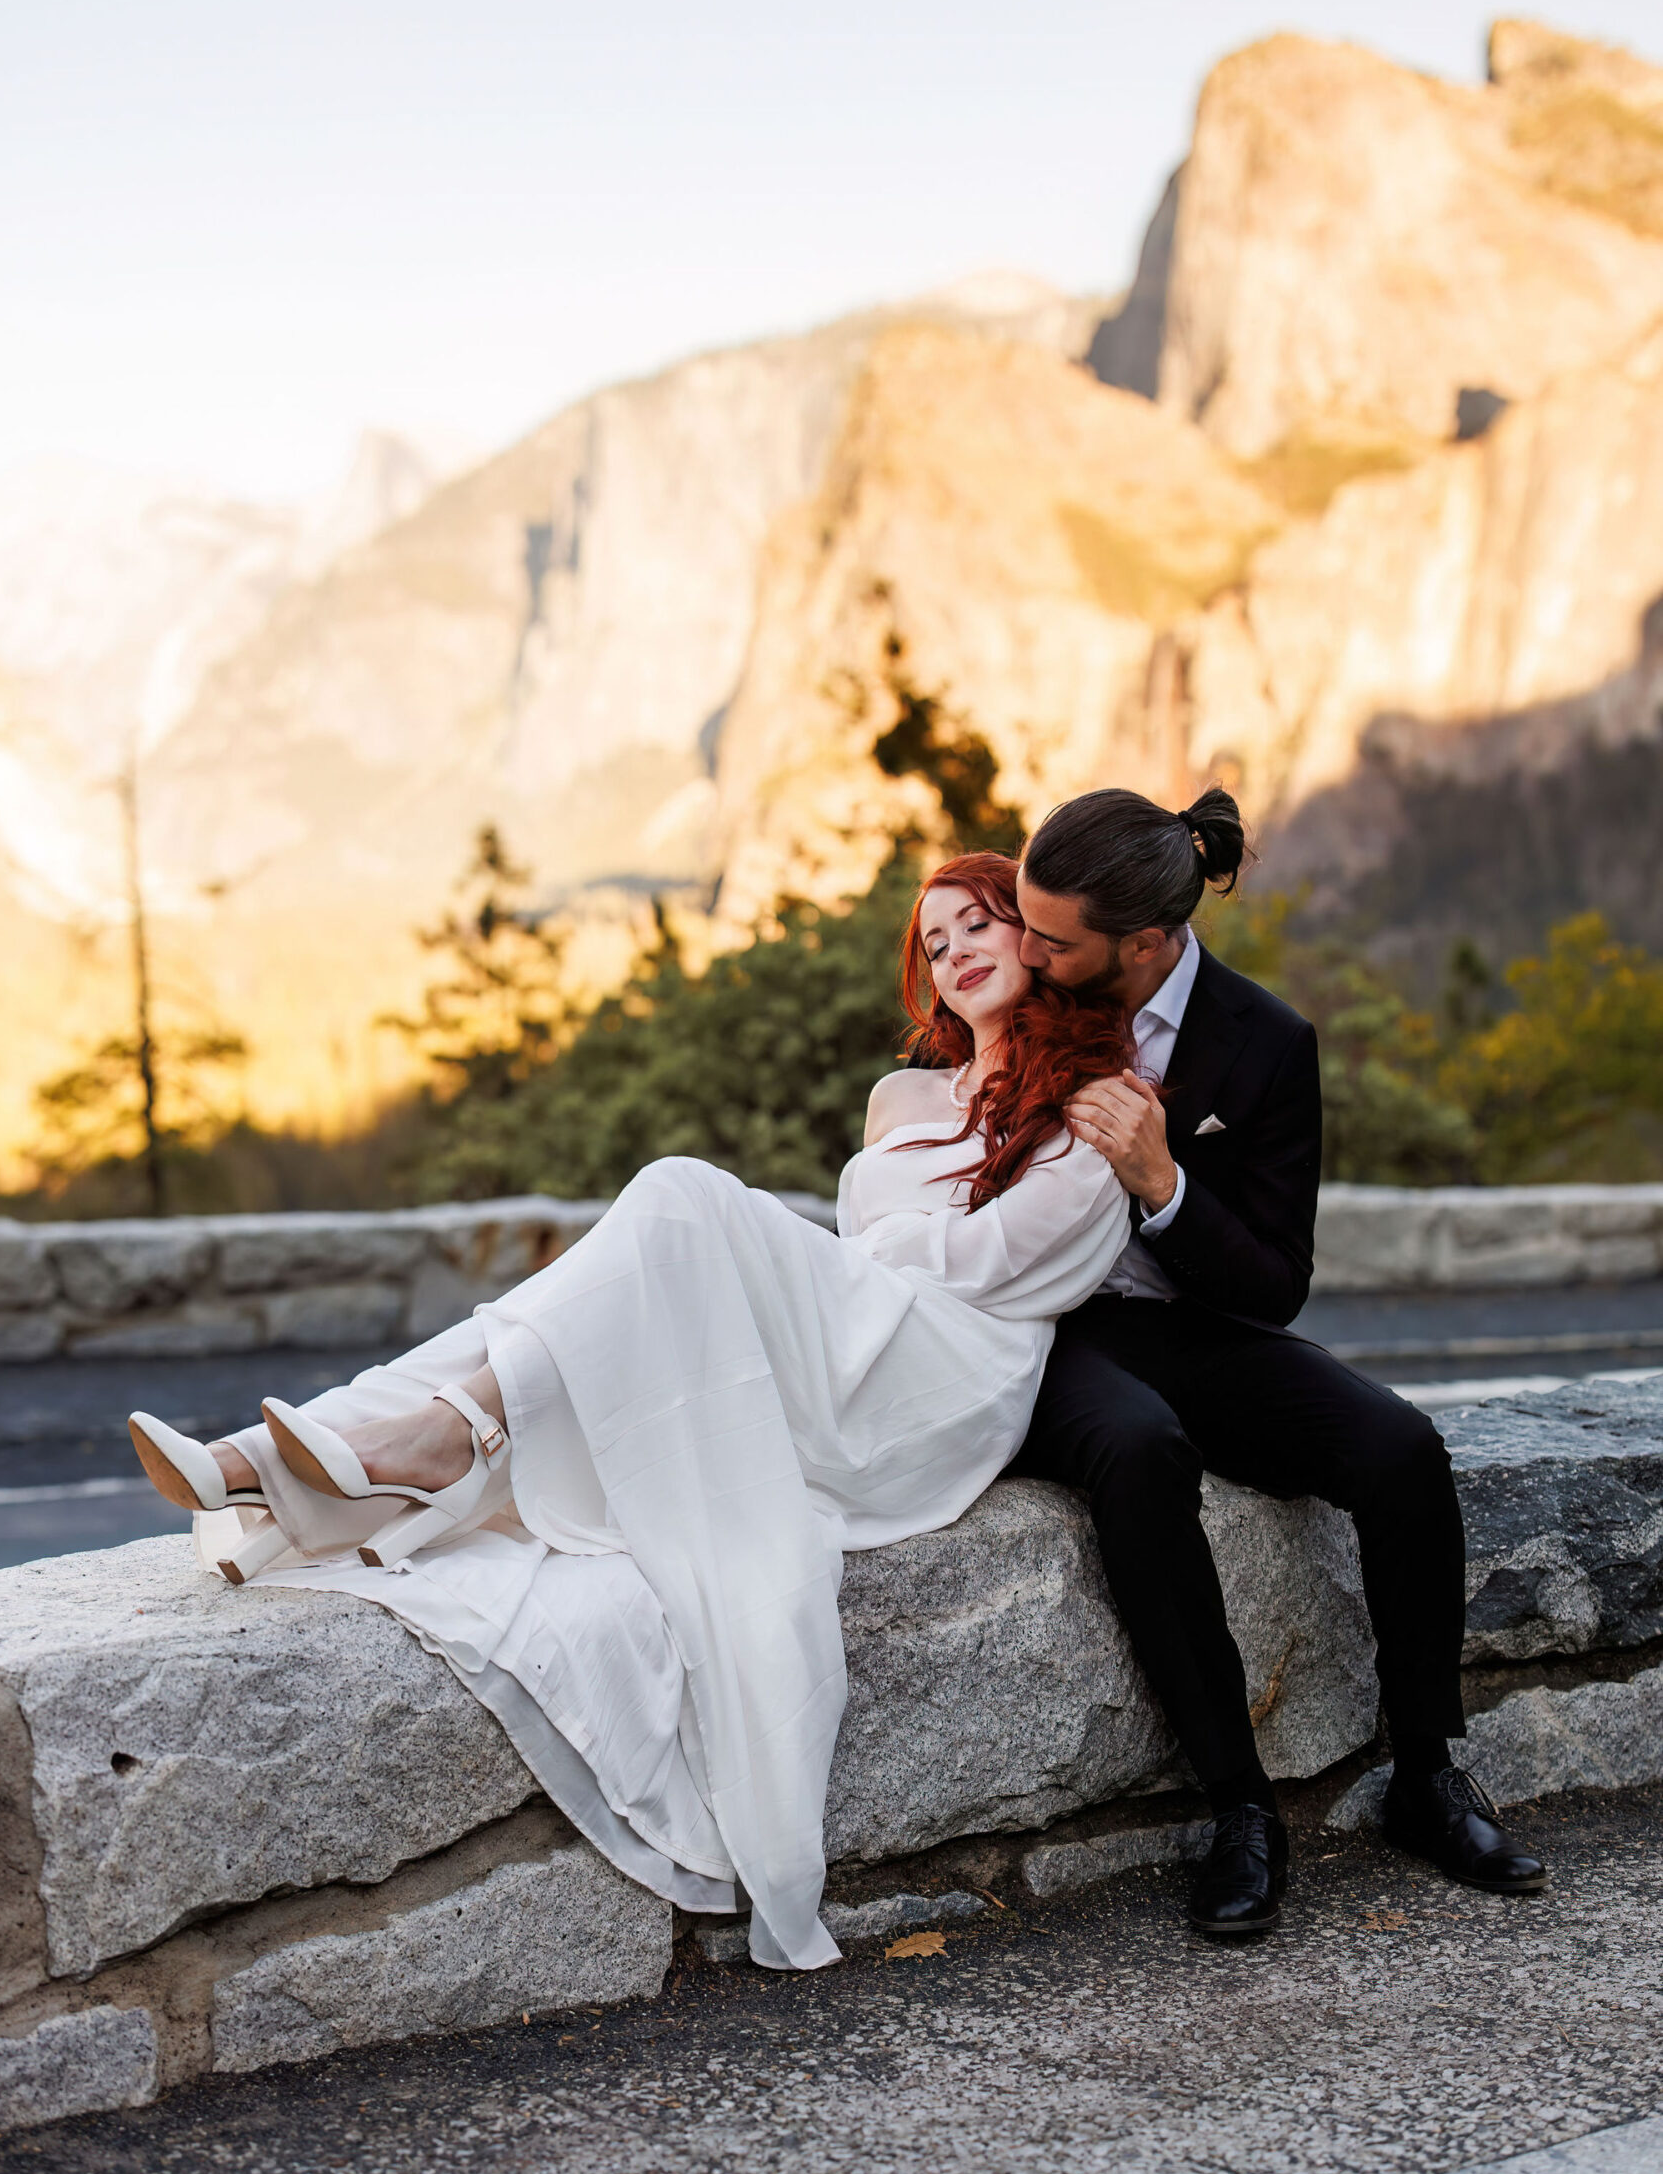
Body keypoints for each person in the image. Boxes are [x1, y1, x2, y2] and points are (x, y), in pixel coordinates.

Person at [128, 853, 1132, 1973]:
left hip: (937, 1387)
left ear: (1038, 937)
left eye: (977, 924)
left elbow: (1001, 1270)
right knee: (646, 1265)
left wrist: (878, 1254)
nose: (954, 954)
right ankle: (316, 1458)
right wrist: (872, 1258)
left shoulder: (1095, 1107)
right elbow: (880, 1254)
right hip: (859, 1333)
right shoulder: (902, 1098)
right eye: (933, 944)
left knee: (683, 1200)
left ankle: (392, 1448)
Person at [1012, 784, 1545, 1938]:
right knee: (1143, 1452)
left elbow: (1272, 1284)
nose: (1026, 950)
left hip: (1197, 1321)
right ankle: (1242, 1808)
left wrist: (1166, 1185)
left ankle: (1428, 1773)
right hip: (1048, 1332)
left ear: (1144, 942)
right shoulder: (1016, 997)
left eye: (1054, 938)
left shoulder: (1269, 1042)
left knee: (1399, 1445)